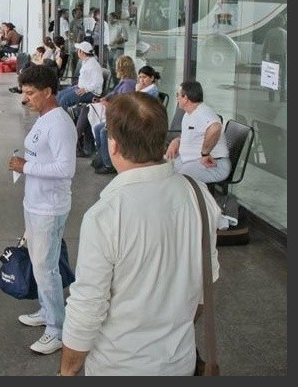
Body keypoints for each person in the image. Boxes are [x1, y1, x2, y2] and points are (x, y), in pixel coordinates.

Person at [59, 92, 221, 376]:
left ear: (114, 146)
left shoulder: (106, 215)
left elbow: (87, 308)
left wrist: (67, 371)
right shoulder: (199, 195)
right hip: (180, 362)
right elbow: (205, 284)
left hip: (118, 366)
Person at [8, 64, 77, 355]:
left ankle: (57, 329)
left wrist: (26, 166)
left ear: (48, 92)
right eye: (24, 92)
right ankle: (47, 311)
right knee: (40, 264)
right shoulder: (43, 117)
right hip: (35, 202)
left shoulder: (60, 123)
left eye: (31, 93)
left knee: (46, 268)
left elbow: (66, 168)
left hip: (49, 207)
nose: (25, 99)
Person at [165, 80, 230, 184]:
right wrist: (176, 141)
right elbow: (191, 134)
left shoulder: (203, 112)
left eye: (178, 95)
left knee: (176, 182)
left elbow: (215, 128)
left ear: (185, 98)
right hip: (188, 160)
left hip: (214, 165)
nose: (177, 98)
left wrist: (205, 154)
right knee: (160, 170)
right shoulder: (189, 114)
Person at [55, 41, 103, 109]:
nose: (77, 52)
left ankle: (64, 119)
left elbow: (99, 82)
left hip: (90, 93)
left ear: (82, 52)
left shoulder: (93, 64)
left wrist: (86, 89)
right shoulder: (86, 61)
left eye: (78, 50)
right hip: (80, 88)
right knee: (59, 95)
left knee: (64, 100)